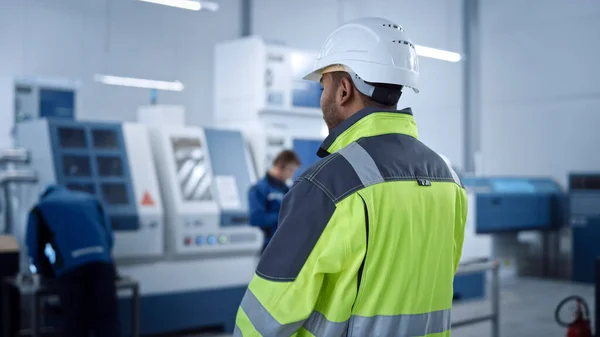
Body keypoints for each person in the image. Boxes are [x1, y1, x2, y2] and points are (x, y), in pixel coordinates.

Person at [233, 17, 467, 337]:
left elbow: (265, 317)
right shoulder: (449, 180)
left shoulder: (327, 185)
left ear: (343, 90)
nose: (322, 98)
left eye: (324, 86)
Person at [26, 185, 120, 337]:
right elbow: (108, 236)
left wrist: (43, 273)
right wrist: (104, 257)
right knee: (107, 320)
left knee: (75, 322)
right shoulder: (91, 200)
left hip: (71, 269)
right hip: (102, 265)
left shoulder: (41, 207)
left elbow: (34, 246)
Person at [248, 150, 301, 251]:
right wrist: (285, 216)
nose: (291, 175)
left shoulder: (286, 189)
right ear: (280, 166)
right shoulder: (259, 189)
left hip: (286, 245)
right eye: (290, 170)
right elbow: (256, 218)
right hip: (268, 247)